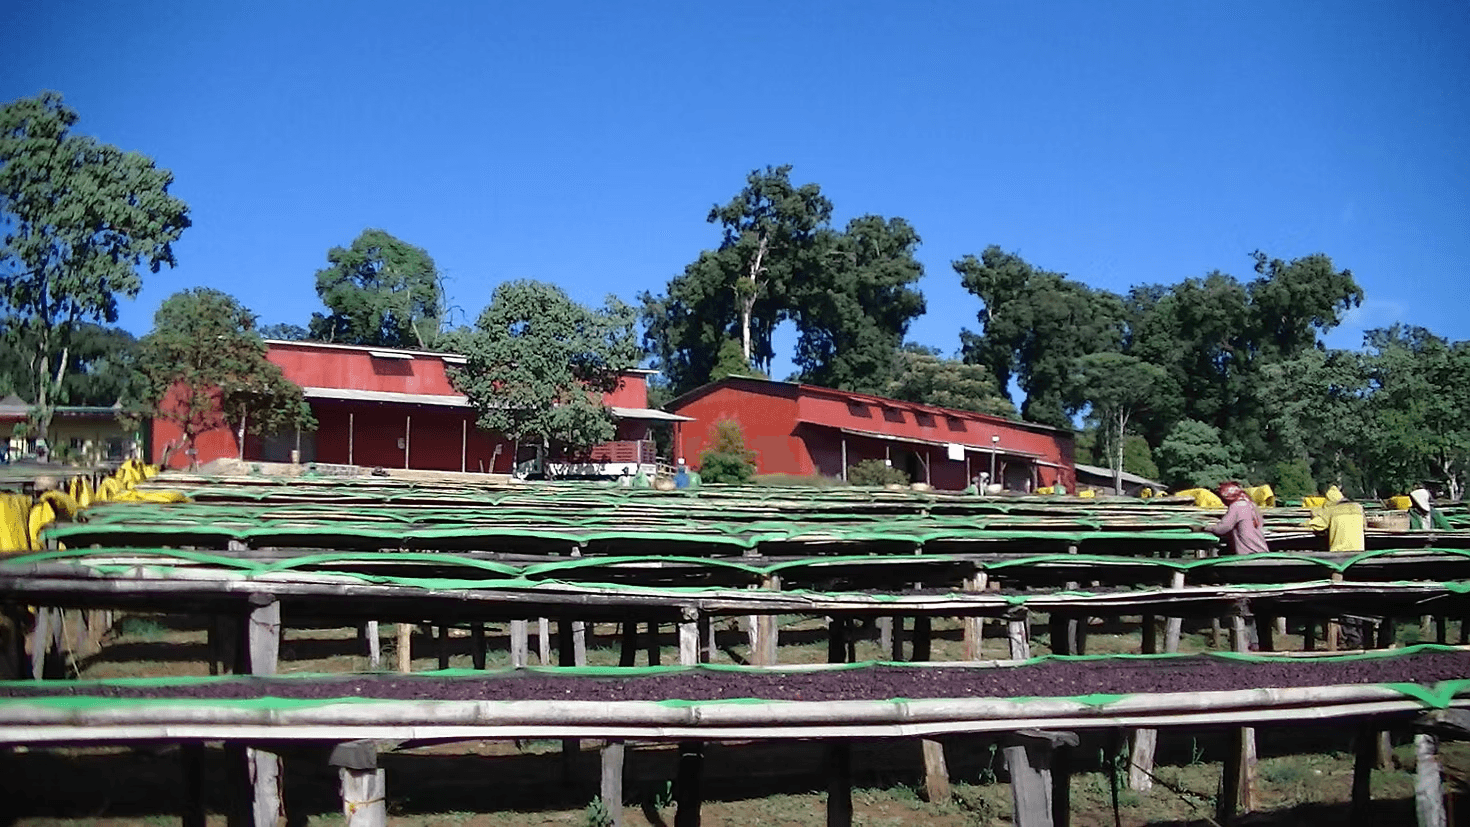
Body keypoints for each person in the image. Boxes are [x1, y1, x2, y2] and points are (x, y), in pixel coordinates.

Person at [1207, 481, 1269, 555]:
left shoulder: (1237, 506)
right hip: (1260, 550)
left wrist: (1206, 528)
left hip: (1249, 552)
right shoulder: (1251, 505)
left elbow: (1222, 528)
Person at [1305, 485, 1365, 552]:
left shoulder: (1332, 510)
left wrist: (1304, 523)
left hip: (1338, 552)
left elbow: (1317, 524)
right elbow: (1364, 525)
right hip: (1359, 551)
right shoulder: (1358, 508)